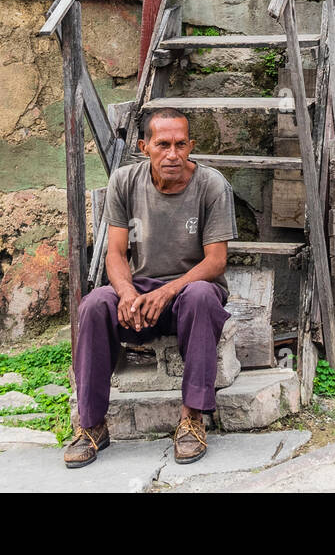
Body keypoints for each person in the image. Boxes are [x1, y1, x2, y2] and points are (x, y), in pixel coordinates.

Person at [63, 111, 237, 468]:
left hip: (189, 292)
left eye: (180, 144)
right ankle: (92, 424)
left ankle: (192, 419)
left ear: (191, 146)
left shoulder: (211, 185)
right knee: (95, 304)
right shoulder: (125, 181)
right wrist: (127, 293)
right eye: (162, 145)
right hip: (139, 291)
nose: (172, 154)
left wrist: (167, 292)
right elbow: (114, 253)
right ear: (144, 147)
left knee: (203, 296)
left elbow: (216, 261)